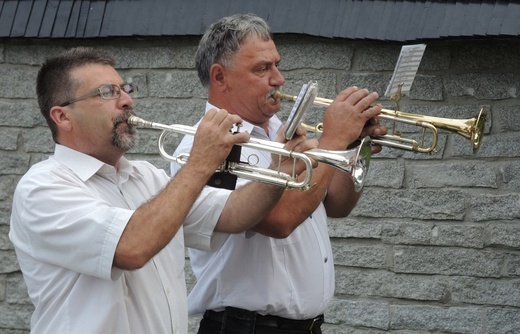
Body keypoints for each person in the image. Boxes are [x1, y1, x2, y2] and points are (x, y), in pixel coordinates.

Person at [8, 47, 317, 334]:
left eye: (125, 89)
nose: (126, 101)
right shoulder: (42, 188)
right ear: (62, 116)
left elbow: (234, 214)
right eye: (106, 93)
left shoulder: (146, 176)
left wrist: (280, 171)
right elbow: (131, 247)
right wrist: (200, 164)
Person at [171, 14, 387, 334]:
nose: (279, 79)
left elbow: (339, 205)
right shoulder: (200, 149)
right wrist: (333, 141)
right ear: (220, 77)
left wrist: (352, 147)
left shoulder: (283, 131)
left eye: (276, 64)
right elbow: (278, 221)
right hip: (246, 327)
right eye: (262, 69)